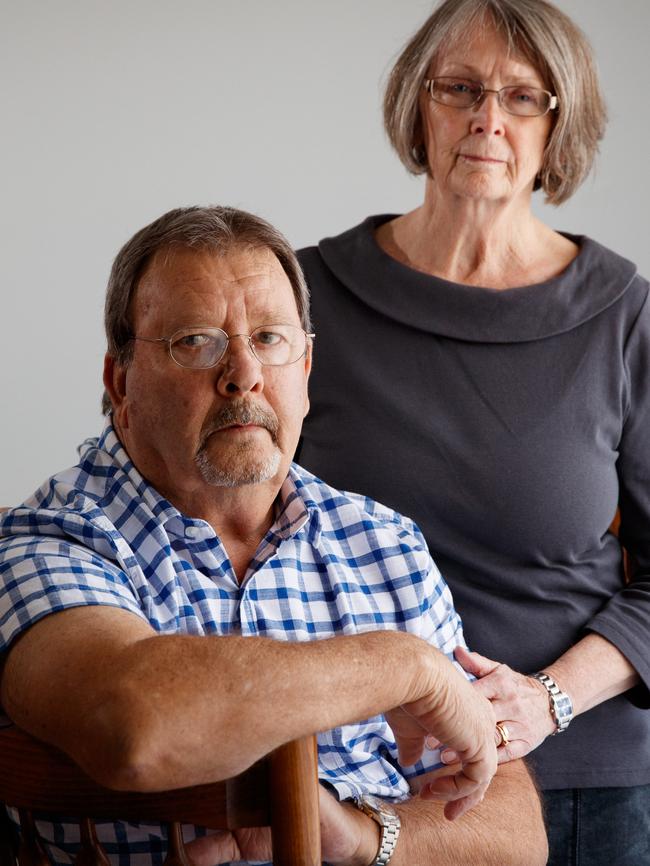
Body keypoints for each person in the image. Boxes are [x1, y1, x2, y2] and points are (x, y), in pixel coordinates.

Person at [0, 205, 546, 866]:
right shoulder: (46, 542)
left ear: (307, 371)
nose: (243, 374)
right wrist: (409, 667)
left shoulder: (384, 544)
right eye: (196, 341)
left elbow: (515, 832)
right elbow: (133, 726)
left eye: (270, 339)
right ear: (121, 381)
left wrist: (360, 837)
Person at [295, 1, 650, 864]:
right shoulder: (305, 297)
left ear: (558, 125)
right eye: (461, 87)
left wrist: (546, 700)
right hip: (349, 779)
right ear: (420, 105)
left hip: (578, 786)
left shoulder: (624, 316)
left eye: (524, 98)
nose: (489, 118)